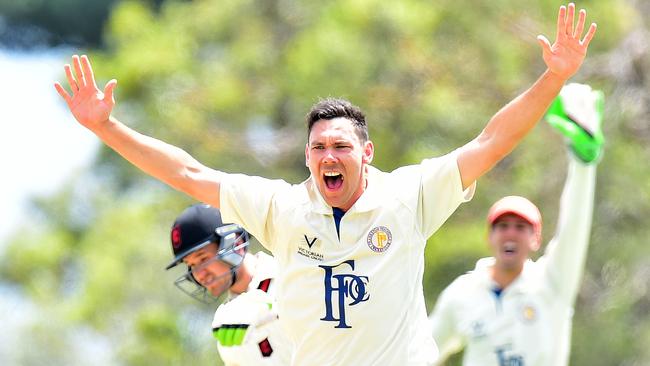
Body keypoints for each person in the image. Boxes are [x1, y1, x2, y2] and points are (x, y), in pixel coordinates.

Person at [54, 4, 597, 365]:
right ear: (307, 157)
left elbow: (489, 143)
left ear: (367, 153)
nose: (328, 157)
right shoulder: (281, 209)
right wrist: (105, 126)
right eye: (317, 148)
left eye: (340, 146)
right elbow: (189, 174)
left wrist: (555, 76)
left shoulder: (409, 196)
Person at [428, 83, 604, 366]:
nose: (511, 234)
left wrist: (583, 164)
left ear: (536, 239)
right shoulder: (463, 293)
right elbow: (421, 351)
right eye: (503, 226)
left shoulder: (552, 283)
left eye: (521, 228)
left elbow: (574, 229)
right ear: (490, 237)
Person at [166, 203, 291, 365]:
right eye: (191, 265)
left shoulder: (289, 274)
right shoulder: (227, 325)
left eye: (203, 259)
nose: (199, 274)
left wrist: (268, 312)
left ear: (234, 245)